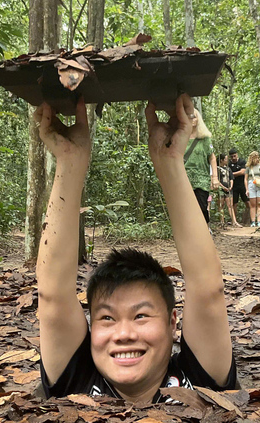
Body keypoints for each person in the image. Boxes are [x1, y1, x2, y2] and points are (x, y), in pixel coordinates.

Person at [35, 95, 238, 404]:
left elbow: (208, 290)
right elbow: (52, 294)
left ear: (172, 325)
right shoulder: (77, 380)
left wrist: (169, 162)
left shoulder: (198, 380)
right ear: (90, 329)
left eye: (141, 315)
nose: (124, 334)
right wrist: (69, 161)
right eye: (106, 319)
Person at [183, 109, 218, 225]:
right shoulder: (181, 138)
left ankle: (204, 231)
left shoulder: (205, 138)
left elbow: (212, 158)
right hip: (185, 179)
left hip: (202, 179)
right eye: (189, 116)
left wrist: (215, 177)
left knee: (202, 207)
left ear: (199, 119)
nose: (192, 119)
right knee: (187, 210)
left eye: (194, 116)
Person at [244, 151, 260, 228]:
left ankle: (259, 222)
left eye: (258, 157)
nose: (257, 159)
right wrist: (247, 189)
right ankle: (253, 222)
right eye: (256, 157)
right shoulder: (248, 167)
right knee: (253, 205)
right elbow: (245, 179)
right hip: (252, 184)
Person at [216, 154, 239, 228]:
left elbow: (231, 178)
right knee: (221, 205)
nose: (227, 160)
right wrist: (222, 187)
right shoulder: (217, 169)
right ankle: (222, 222)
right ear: (221, 160)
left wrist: (231, 186)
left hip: (229, 189)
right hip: (220, 189)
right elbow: (216, 180)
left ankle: (234, 221)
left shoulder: (228, 169)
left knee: (230, 205)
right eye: (225, 159)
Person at [228, 149, 249, 226]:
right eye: (232, 156)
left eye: (234, 155)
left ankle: (248, 220)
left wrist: (231, 174)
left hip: (242, 185)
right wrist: (236, 174)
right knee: (234, 204)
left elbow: (243, 172)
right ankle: (234, 221)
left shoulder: (242, 161)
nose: (233, 157)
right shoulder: (229, 163)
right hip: (233, 186)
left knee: (247, 202)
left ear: (237, 154)